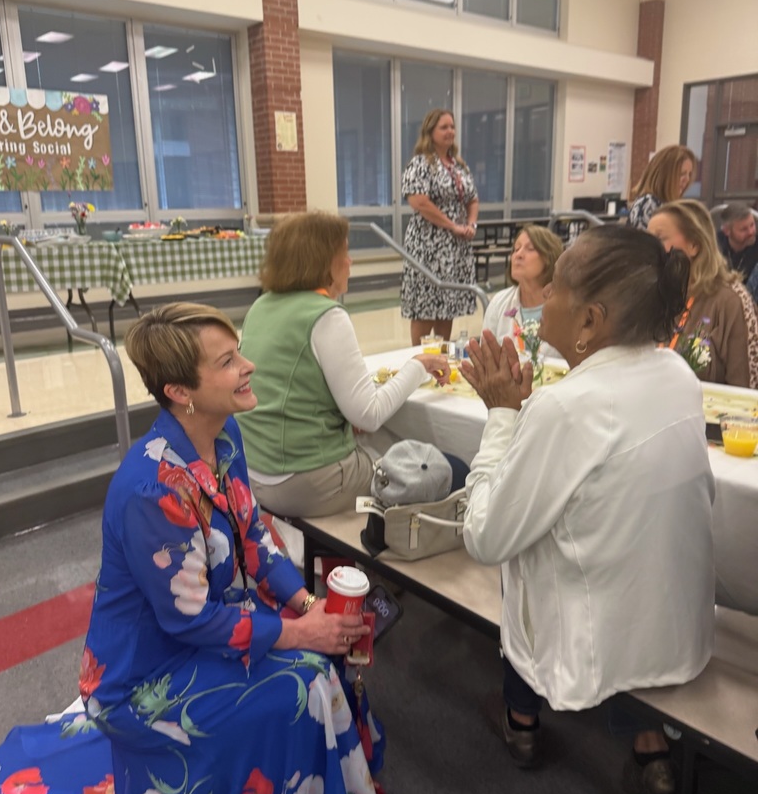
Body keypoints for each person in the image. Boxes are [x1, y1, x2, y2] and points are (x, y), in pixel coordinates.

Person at [0, 303, 383, 794]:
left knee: (316, 660)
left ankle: (295, 789)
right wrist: (299, 631)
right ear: (181, 391)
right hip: (143, 674)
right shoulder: (154, 488)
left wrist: (305, 605)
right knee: (306, 676)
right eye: (229, 361)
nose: (249, 366)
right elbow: (188, 622)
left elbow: (255, 537)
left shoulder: (226, 439)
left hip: (201, 625)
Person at [460, 226, 715, 794]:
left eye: (555, 288)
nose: (544, 292)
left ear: (590, 322)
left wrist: (503, 414)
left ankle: (522, 720)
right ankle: (649, 743)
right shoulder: (677, 374)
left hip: (596, 645)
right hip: (676, 630)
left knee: (517, 548)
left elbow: (484, 536)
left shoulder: (566, 407)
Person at [238, 211, 450, 519]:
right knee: (425, 465)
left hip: (255, 471)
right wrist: (418, 365)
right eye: (345, 253)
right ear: (323, 262)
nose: (350, 262)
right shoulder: (326, 316)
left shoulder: (260, 307)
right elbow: (369, 414)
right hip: (305, 481)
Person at [647, 199, 758, 389]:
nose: (650, 248)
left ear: (694, 245)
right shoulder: (654, 295)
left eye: (660, 238)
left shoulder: (732, 301)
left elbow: (745, 389)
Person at [401, 109, 479, 346]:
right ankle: (420, 361)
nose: (450, 132)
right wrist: (452, 226)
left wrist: (470, 224)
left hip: (455, 249)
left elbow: (472, 199)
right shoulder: (420, 164)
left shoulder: (459, 166)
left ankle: (442, 359)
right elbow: (419, 202)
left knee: (448, 305)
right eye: (444, 127)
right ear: (430, 132)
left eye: (452, 127)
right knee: (426, 306)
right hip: (428, 247)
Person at [482, 224, 564, 362]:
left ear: (548, 258)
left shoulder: (566, 306)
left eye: (530, 249)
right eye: (516, 249)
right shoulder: (499, 302)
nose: (518, 255)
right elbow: (486, 359)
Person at [627, 145, 696, 230]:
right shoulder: (648, 204)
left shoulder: (669, 205)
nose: (687, 179)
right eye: (682, 174)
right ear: (665, 175)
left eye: (689, 174)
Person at [713, 201, 758, 286]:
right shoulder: (714, 244)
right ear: (727, 231)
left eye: (752, 225)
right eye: (744, 229)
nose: (751, 232)